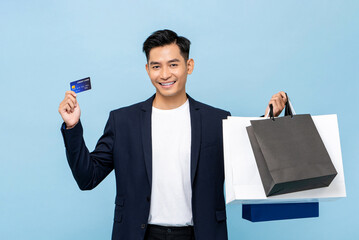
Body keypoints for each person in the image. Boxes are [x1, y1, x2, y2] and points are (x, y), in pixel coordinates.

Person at [59, 29, 287, 240]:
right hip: (140, 234)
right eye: (156, 66)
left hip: (200, 234)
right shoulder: (123, 121)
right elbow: (87, 178)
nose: (165, 74)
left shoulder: (217, 120)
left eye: (173, 64)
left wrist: (268, 120)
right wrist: (72, 127)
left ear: (189, 66)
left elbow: (247, 164)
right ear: (147, 69)